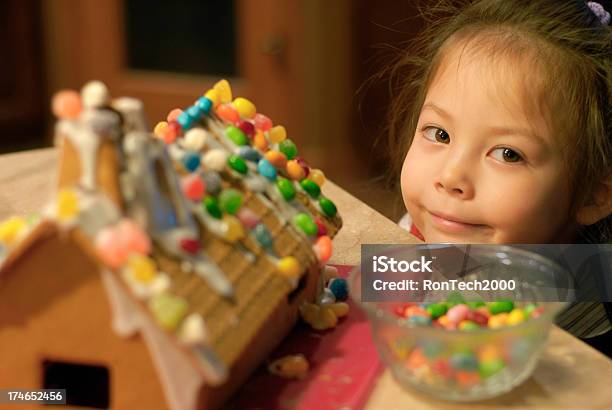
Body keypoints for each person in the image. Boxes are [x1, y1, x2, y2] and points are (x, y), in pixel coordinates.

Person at [382, 0, 611, 353]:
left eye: (508, 154)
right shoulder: (418, 232)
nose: (450, 176)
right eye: (439, 134)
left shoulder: (572, 340)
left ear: (594, 195)